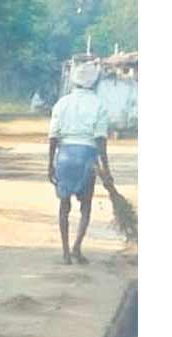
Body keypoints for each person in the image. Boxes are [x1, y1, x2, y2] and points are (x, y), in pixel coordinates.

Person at [48, 60, 115, 264]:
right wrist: (106, 170)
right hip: (87, 156)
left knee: (64, 206)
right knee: (85, 206)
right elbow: (100, 140)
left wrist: (49, 163)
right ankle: (77, 246)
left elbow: (53, 136)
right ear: (93, 83)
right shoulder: (98, 104)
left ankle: (66, 252)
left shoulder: (62, 103)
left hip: (65, 155)